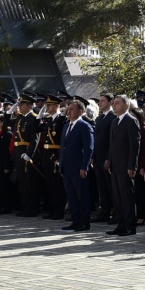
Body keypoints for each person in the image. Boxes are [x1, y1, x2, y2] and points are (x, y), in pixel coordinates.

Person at [106, 95, 143, 236]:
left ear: (126, 106)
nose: (114, 105)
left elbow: (135, 145)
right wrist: (109, 160)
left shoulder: (131, 121)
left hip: (125, 166)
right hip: (115, 165)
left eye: (117, 103)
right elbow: (112, 144)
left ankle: (129, 226)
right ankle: (121, 224)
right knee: (117, 197)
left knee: (127, 197)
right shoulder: (115, 122)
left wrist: (132, 166)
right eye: (113, 103)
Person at [59, 97, 95, 232]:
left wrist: (84, 166)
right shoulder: (66, 126)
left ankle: (84, 223)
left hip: (78, 167)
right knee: (71, 196)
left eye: (72, 109)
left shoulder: (85, 126)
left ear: (81, 111)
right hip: (67, 167)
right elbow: (63, 147)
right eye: (68, 109)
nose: (69, 111)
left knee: (82, 196)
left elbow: (89, 148)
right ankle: (75, 221)